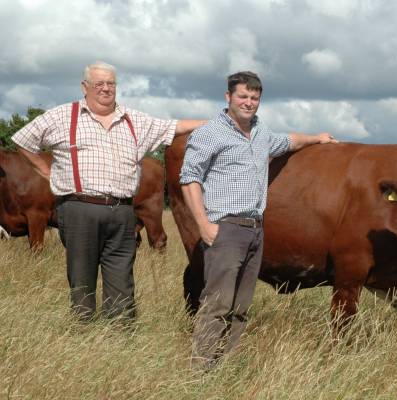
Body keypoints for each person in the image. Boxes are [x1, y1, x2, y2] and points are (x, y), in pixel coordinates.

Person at [12, 60, 206, 322]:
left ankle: (119, 333)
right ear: (85, 87)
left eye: (110, 83)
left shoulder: (134, 119)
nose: (105, 89)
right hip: (80, 207)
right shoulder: (62, 116)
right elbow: (23, 140)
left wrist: (224, 121)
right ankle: (84, 330)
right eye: (99, 83)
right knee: (82, 277)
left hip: (123, 210)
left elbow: (174, 126)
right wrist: (45, 171)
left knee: (122, 278)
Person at [180, 71, 338, 371]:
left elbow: (288, 141)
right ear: (228, 97)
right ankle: (199, 371)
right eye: (243, 96)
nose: (249, 102)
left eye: (254, 98)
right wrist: (203, 224)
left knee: (240, 307)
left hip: (254, 230)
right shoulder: (209, 133)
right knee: (218, 304)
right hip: (224, 228)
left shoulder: (260, 133)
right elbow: (189, 178)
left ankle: (227, 366)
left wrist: (317, 138)